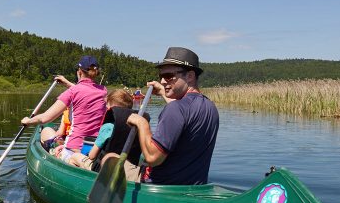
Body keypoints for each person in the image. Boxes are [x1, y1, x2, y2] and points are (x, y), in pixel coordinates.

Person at [126, 47, 219, 185]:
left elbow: (152, 157)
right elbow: (183, 114)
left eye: (169, 76)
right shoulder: (210, 108)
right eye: (161, 77)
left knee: (109, 157)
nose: (163, 81)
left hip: (160, 188)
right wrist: (165, 93)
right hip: (192, 189)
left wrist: (142, 123)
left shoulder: (175, 109)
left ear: (190, 76)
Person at [21, 56, 107, 161]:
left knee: (46, 130)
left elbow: (45, 118)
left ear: (79, 72)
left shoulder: (72, 92)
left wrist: (28, 121)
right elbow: (87, 90)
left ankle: (50, 156)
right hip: (93, 150)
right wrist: (67, 83)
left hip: (73, 150)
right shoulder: (103, 91)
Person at [68, 88, 149, 181]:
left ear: (110, 108)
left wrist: (82, 153)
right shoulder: (137, 128)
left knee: (74, 157)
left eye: (107, 105)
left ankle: (81, 184)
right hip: (127, 167)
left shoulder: (108, 127)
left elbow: (92, 156)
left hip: (102, 168)